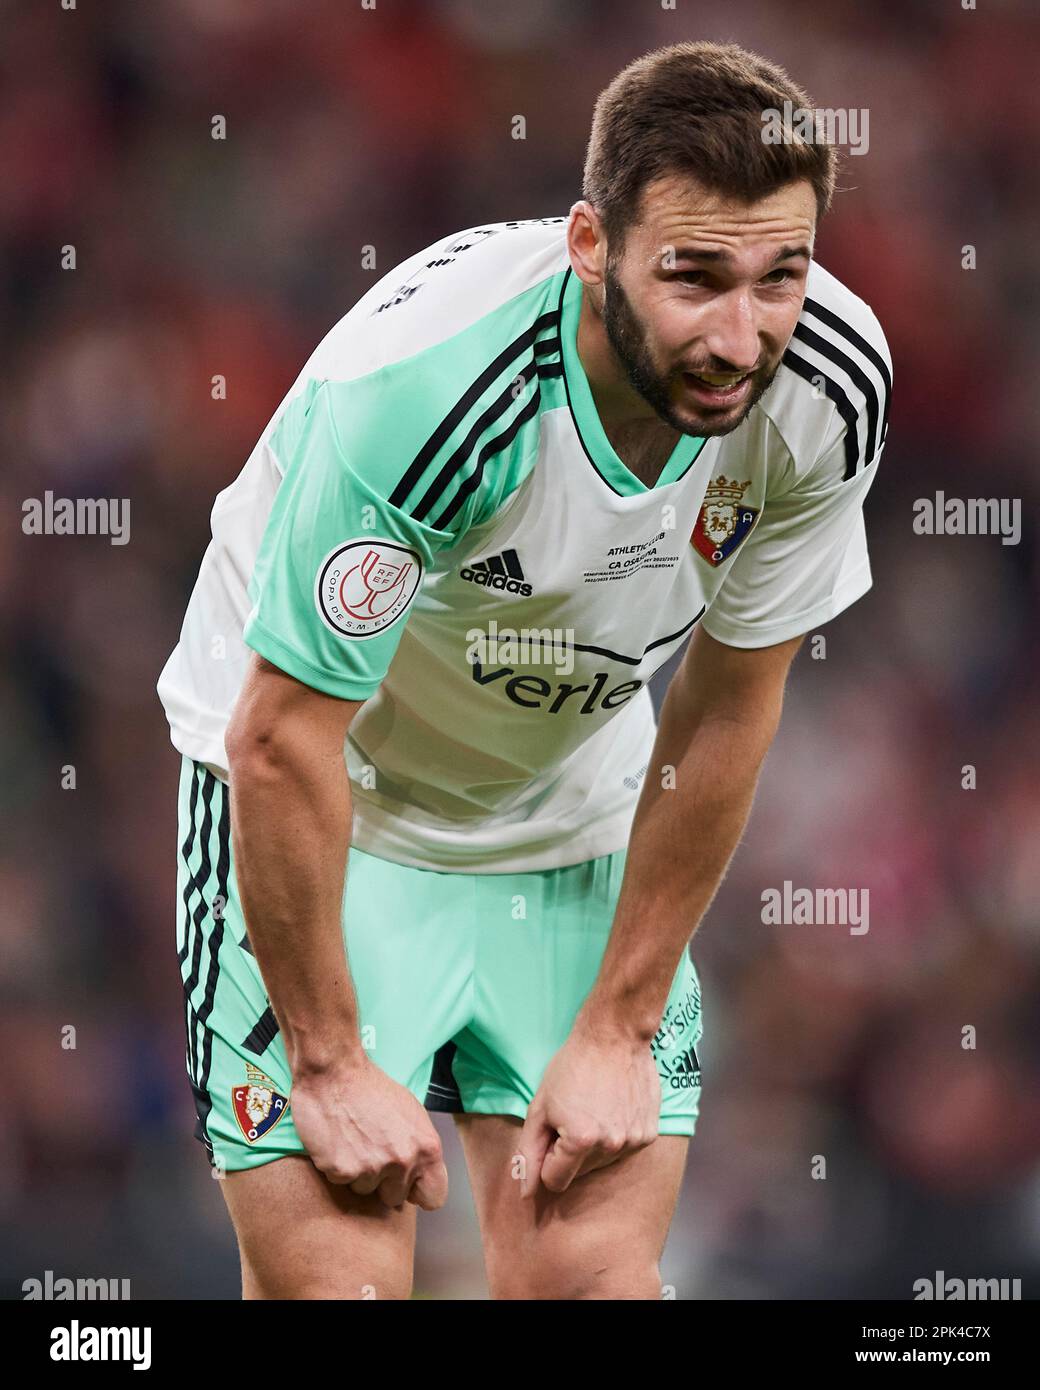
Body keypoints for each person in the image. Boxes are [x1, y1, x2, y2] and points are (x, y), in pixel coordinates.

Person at [158, 39, 891, 1300]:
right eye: (693, 276)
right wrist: (327, 1062)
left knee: (600, 1287)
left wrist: (617, 1025)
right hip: (329, 806)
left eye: (780, 275)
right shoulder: (426, 390)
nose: (741, 333)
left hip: (569, 821)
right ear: (589, 245)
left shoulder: (827, 385)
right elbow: (281, 738)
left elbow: (725, 709)